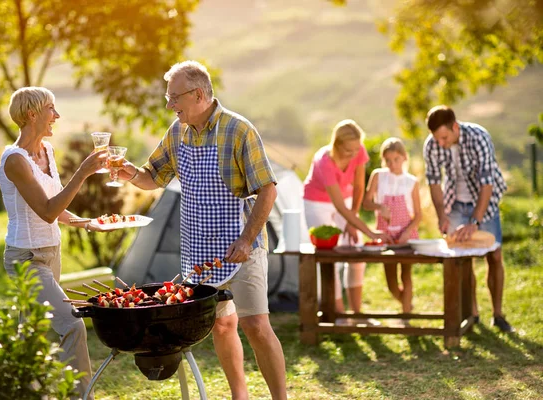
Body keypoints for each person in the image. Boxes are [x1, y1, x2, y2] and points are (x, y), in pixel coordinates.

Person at [118, 61, 287, 399]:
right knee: (223, 324)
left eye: (174, 98)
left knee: (255, 325)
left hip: (241, 246)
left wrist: (247, 239)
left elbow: (267, 189)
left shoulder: (238, 130)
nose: (170, 106)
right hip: (200, 253)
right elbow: (153, 176)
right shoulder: (176, 132)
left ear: (198, 94)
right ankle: (241, 396)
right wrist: (128, 173)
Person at [0, 86, 109, 399]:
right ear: (32, 114)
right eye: (51, 109)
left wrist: (86, 223)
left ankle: (22, 391)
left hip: (51, 253)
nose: (57, 116)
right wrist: (84, 172)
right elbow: (47, 212)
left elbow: (55, 204)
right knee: (72, 325)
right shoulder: (15, 161)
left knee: (34, 334)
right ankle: (79, 396)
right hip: (26, 258)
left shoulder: (46, 152)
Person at [423, 105, 514, 332]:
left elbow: (487, 183)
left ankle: (498, 314)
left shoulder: (479, 137)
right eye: (437, 139)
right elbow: (434, 182)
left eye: (444, 137)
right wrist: (442, 215)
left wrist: (475, 221)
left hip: (484, 201)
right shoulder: (432, 144)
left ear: (455, 127)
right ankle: (472, 314)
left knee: (494, 254)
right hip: (454, 204)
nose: (441, 143)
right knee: (462, 258)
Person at [303, 119, 391, 317]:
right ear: (336, 145)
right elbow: (339, 207)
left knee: (356, 252)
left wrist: (354, 224)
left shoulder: (358, 150)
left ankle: (357, 314)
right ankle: (339, 315)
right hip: (317, 202)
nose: (353, 155)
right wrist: (369, 231)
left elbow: (359, 187)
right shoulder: (324, 161)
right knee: (330, 256)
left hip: (347, 198)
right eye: (348, 151)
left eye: (356, 150)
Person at [363, 137, 422, 314]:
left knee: (406, 275)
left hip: (406, 236)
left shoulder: (411, 182)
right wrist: (379, 206)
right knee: (391, 282)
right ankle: (407, 303)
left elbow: (418, 216)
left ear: (404, 157)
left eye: (396, 159)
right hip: (385, 236)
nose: (392, 164)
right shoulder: (378, 176)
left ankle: (406, 316)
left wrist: (407, 233)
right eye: (388, 160)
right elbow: (366, 203)